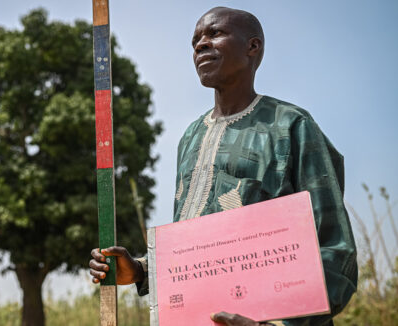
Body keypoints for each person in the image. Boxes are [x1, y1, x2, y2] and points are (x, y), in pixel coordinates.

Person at [89, 6, 357, 326]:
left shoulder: (291, 125)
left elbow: (334, 250)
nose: (201, 44)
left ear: (252, 47)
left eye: (215, 34)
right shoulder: (190, 137)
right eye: (195, 40)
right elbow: (199, 250)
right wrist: (142, 271)